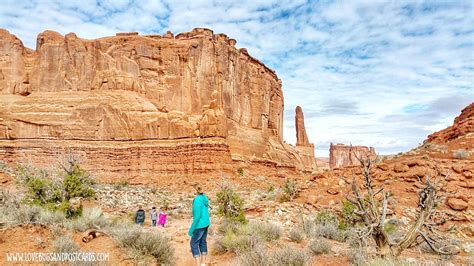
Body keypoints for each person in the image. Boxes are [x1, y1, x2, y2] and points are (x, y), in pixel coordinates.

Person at [188, 184, 210, 266]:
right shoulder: (204, 198)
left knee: (193, 244)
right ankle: (203, 263)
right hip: (206, 223)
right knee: (203, 242)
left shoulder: (197, 200)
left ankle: (198, 264)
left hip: (199, 225)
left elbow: (197, 217)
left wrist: (191, 230)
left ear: (195, 190)